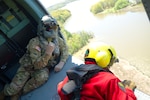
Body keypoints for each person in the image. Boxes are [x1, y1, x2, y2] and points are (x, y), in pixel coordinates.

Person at [0, 15, 69, 100]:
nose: (52, 29)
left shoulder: (57, 40)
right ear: (42, 28)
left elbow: (65, 49)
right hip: (28, 68)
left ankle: (20, 92)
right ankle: (4, 93)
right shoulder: (34, 43)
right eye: (48, 27)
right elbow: (37, 65)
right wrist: (48, 53)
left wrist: (62, 62)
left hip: (42, 68)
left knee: (42, 77)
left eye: (54, 26)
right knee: (12, 90)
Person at [57, 42, 137, 100]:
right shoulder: (108, 80)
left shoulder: (73, 74)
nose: (110, 65)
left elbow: (60, 89)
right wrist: (129, 90)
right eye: (111, 61)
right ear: (104, 59)